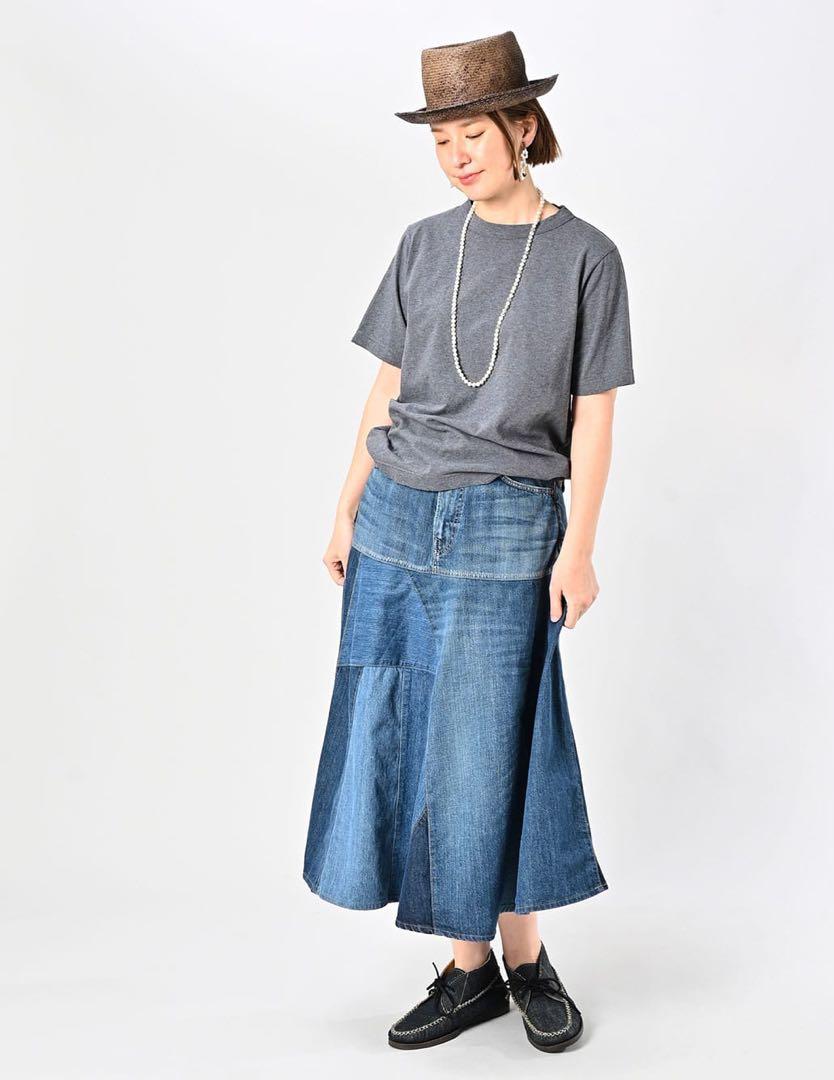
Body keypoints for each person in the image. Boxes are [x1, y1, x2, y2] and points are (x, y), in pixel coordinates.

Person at [302, 31, 635, 1054]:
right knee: (402, 736)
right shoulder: (421, 243)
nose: (456, 155)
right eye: (441, 138)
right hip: (398, 515)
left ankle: (525, 959)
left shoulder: (586, 256)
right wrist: (347, 503)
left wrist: (579, 547)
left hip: (507, 523)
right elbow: (388, 386)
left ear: (522, 127)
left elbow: (592, 416)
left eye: (473, 134)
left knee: (498, 743)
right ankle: (467, 969)